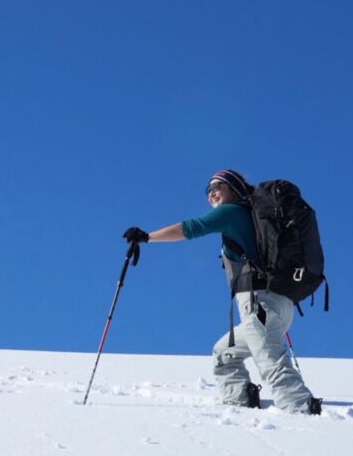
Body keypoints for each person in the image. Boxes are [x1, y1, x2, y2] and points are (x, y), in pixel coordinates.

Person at [123, 169, 322, 414]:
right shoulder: (251, 216)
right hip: (279, 305)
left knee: (270, 361)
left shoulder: (231, 212)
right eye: (208, 190)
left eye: (218, 186)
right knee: (225, 353)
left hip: (258, 303)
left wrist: (147, 237)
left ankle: (301, 409)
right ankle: (241, 403)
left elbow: (191, 228)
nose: (212, 193)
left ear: (235, 188)